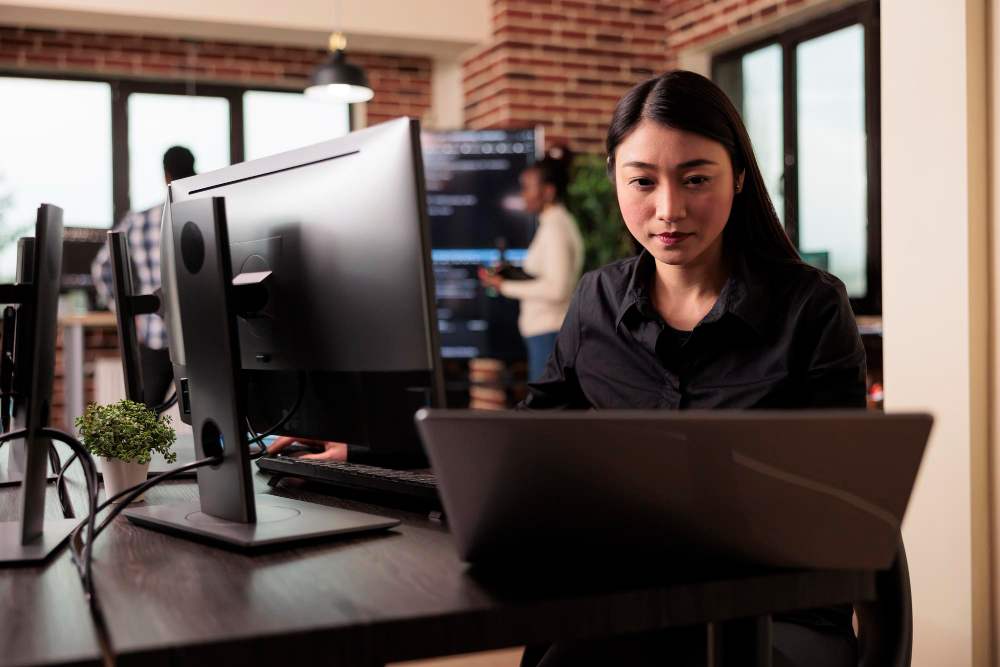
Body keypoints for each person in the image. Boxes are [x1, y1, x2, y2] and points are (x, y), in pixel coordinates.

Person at [518, 71, 865, 667]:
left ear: (739, 177)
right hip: (638, 597)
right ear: (616, 179)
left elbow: (842, 500)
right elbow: (523, 443)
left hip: (780, 608)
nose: (668, 210)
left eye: (696, 179)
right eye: (642, 181)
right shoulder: (596, 300)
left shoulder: (811, 307)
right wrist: (384, 451)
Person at [92, 146, 197, 410]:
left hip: (155, 332)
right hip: (200, 336)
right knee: (212, 415)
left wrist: (128, 311)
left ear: (166, 175)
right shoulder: (207, 214)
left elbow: (101, 268)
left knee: (143, 417)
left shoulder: (138, 221)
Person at [479, 150, 585, 381]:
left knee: (544, 404)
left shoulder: (556, 228)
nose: (523, 194)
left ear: (548, 191)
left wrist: (504, 286)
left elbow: (557, 289)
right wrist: (512, 274)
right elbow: (545, 276)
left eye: (527, 187)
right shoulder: (552, 224)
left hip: (549, 333)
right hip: (545, 333)